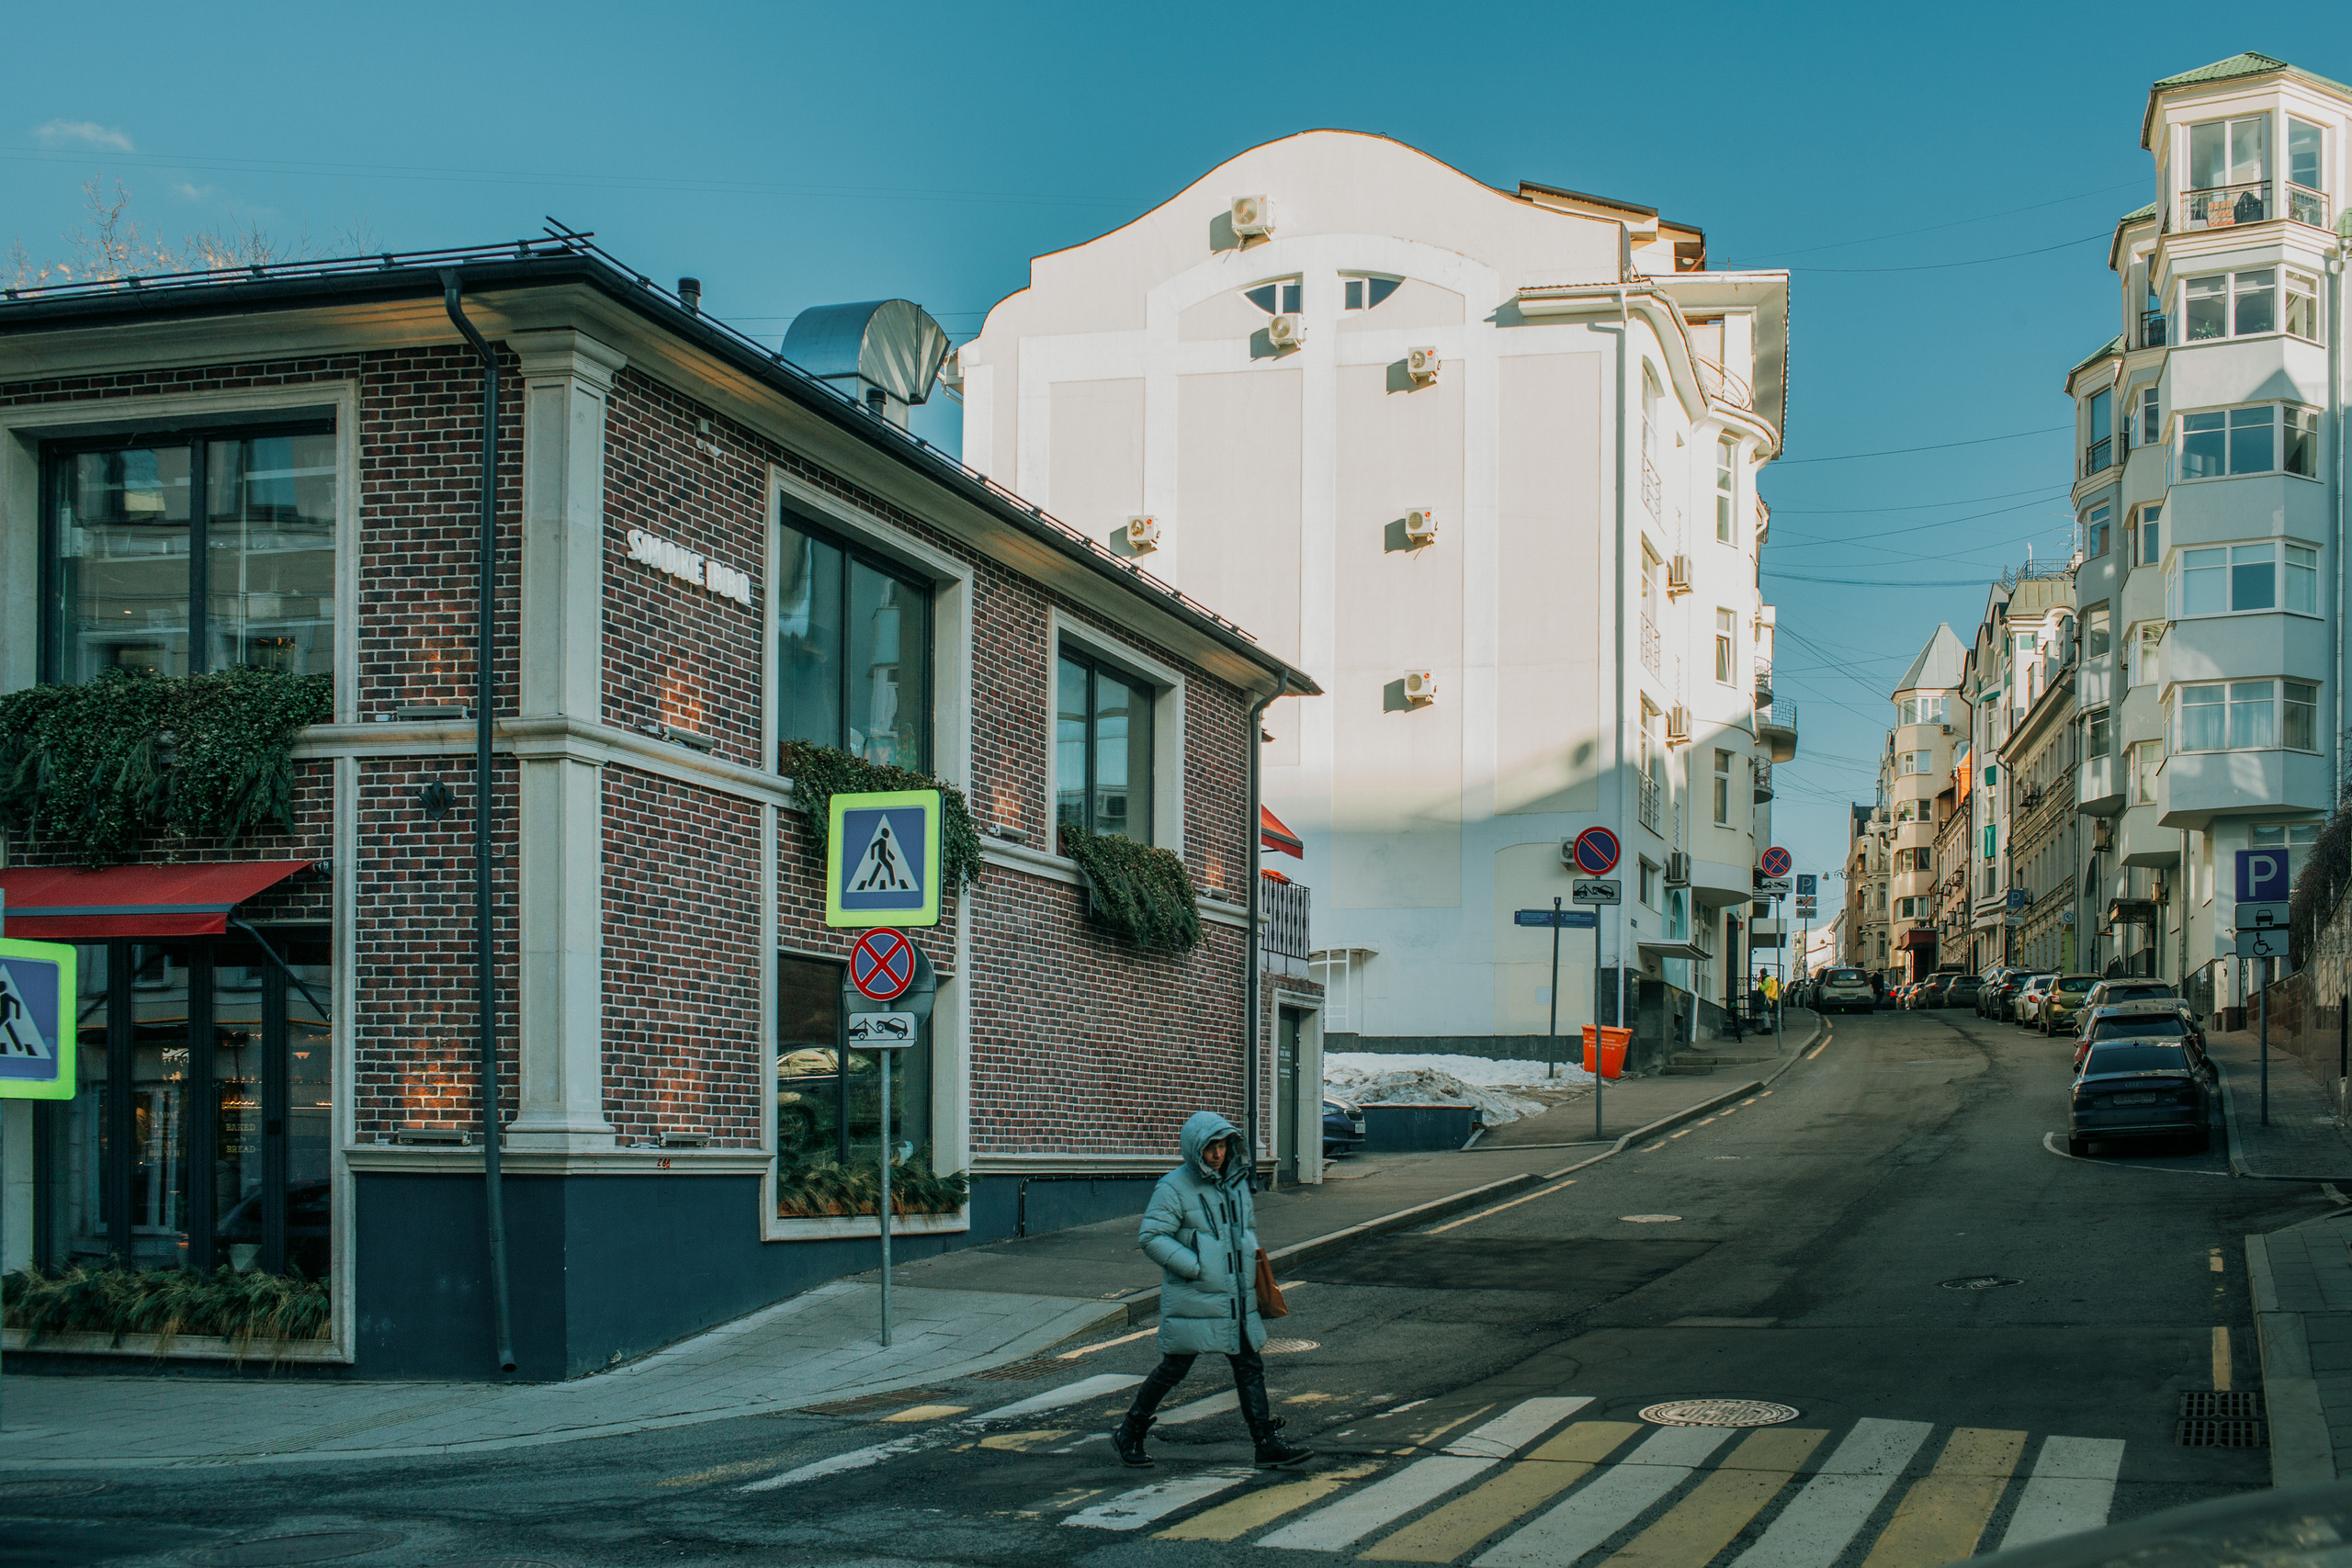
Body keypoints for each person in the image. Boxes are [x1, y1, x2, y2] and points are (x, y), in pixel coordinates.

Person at [1112, 1111, 1313, 1470]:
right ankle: (1130, 1430)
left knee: (1250, 1365)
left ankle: (1265, 1443)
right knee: (1174, 1368)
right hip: (1197, 1295)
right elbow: (1151, 1237)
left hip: (1236, 1296)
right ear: (1195, 1149)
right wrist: (1196, 1266)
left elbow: (1244, 1233)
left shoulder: (1236, 1182)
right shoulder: (1173, 1187)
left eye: (1221, 1145)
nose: (1217, 1154)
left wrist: (1252, 1266)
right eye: (1209, 1148)